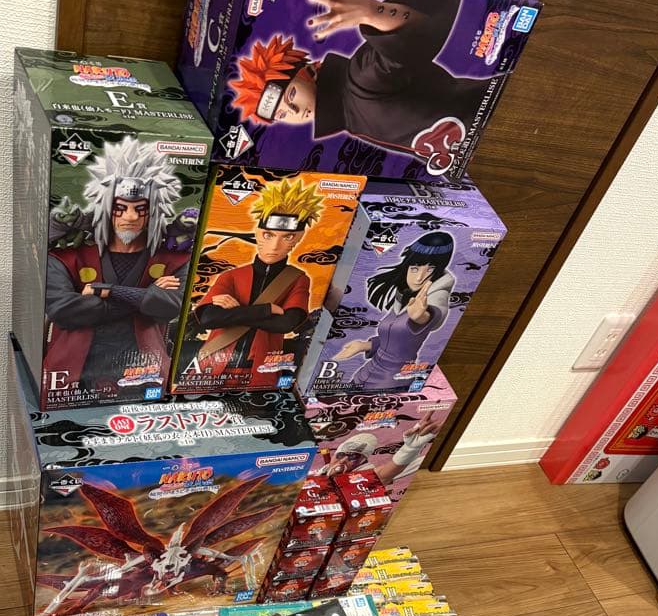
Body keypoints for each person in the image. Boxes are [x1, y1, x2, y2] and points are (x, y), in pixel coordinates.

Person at [230, 0, 500, 177]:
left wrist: (372, 12)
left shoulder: (360, 81)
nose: (294, 111)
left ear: (307, 70)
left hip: (500, 115)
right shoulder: (350, 115)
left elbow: (417, 38)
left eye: (290, 94)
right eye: (280, 115)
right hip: (490, 143)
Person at [45, 136, 190, 395]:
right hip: (72, 377)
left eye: (140, 208)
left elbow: (170, 307)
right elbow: (63, 309)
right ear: (104, 208)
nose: (130, 217)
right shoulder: (68, 256)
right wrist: (145, 298)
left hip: (145, 376)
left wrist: (106, 290)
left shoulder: (174, 259)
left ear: (154, 210)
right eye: (120, 208)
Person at [180, 177, 322, 382]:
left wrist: (236, 311)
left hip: (262, 369)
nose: (275, 246)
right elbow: (209, 318)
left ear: (299, 237)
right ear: (257, 233)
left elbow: (286, 323)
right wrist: (266, 310)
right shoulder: (231, 276)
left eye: (287, 237)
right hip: (212, 363)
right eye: (268, 235)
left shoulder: (298, 278)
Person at [332, 232, 455, 390]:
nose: (419, 278)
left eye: (430, 269)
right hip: (367, 374)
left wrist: (421, 316)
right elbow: (394, 341)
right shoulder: (403, 297)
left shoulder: (435, 297)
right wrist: (364, 345)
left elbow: (434, 315)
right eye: (415, 269)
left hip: (391, 383)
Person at [318, 412, 445, 486]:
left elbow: (384, 473)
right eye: (341, 455)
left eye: (353, 456)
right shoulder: (319, 471)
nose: (342, 460)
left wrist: (409, 449)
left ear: (362, 462)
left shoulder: (362, 477)